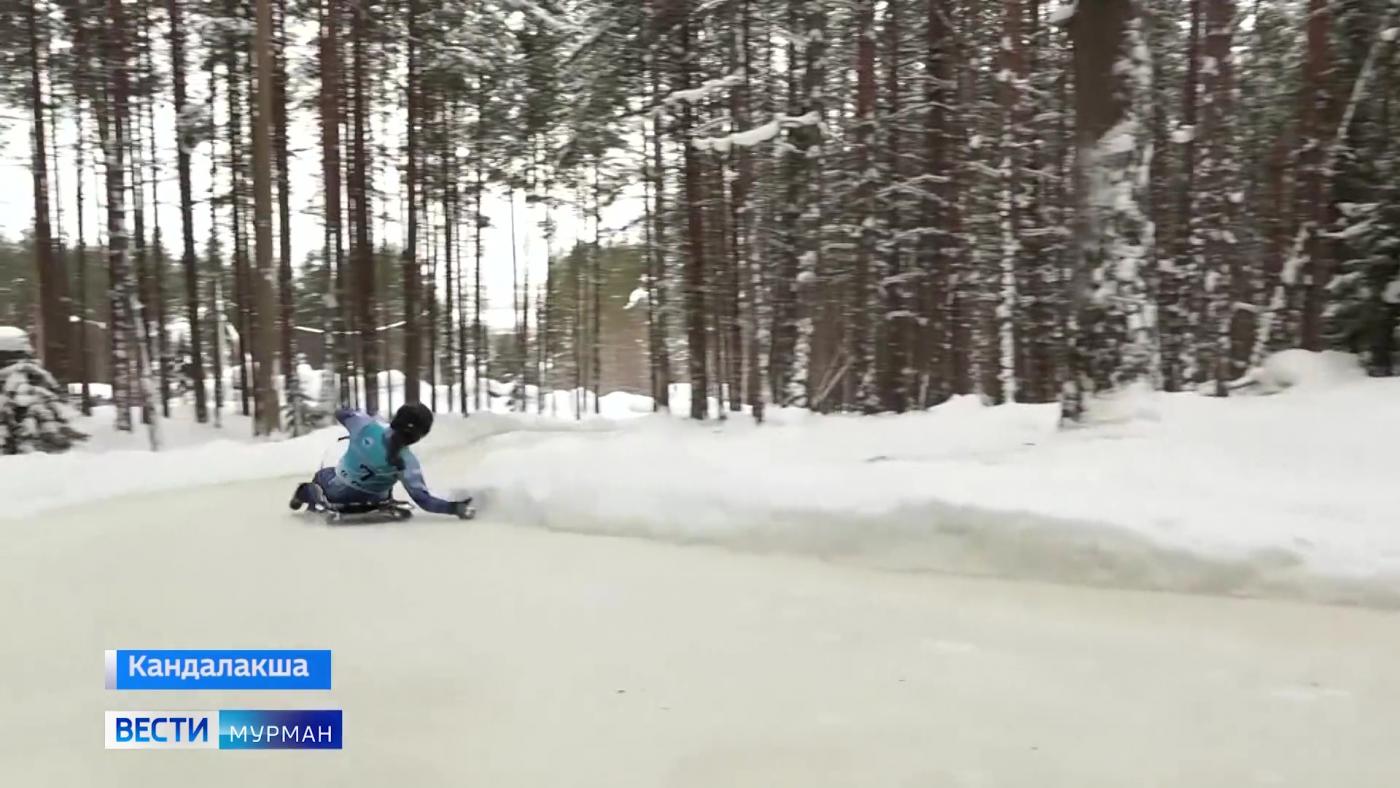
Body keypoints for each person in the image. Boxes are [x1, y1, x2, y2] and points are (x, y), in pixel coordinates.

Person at [289, 402, 472, 518]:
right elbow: (423, 500)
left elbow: (341, 412)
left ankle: (302, 496)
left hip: (339, 493)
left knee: (322, 475)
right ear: (420, 435)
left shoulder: (364, 426)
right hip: (376, 497)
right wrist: (454, 508)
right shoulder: (408, 462)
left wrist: (350, 411)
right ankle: (382, 498)